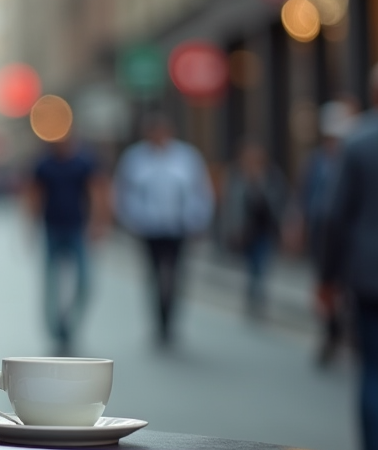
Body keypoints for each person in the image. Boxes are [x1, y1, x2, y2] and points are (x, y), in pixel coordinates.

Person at [112, 112, 214, 347]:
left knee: (176, 276)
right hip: (149, 229)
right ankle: (158, 323)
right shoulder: (135, 158)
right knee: (154, 276)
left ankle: (171, 322)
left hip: (179, 227)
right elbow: (123, 192)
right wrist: (132, 220)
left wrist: (199, 220)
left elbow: (200, 190)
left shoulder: (187, 157)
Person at [323, 66, 378, 450]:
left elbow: (335, 216)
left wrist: (326, 278)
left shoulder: (358, 142)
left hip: (369, 276)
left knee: (373, 371)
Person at [27, 133, 107, 356]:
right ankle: (56, 329)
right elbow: (34, 194)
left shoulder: (84, 162)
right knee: (51, 283)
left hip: (77, 229)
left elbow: (96, 192)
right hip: (52, 229)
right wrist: (30, 226)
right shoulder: (43, 164)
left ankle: (70, 324)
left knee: (84, 281)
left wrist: (98, 222)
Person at [302, 99, 358, 365]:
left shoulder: (356, 157)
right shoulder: (318, 161)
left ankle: (343, 332)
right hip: (323, 236)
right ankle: (331, 332)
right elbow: (308, 197)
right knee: (328, 291)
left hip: (351, 241)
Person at [221, 140, 288, 319]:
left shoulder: (271, 174)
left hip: (265, 229)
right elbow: (231, 205)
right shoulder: (236, 174)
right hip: (246, 231)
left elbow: (279, 201)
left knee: (261, 264)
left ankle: (258, 297)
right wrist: (232, 229)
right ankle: (253, 295)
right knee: (251, 265)